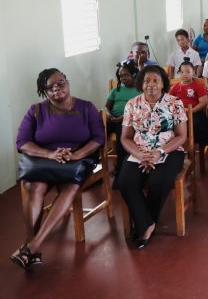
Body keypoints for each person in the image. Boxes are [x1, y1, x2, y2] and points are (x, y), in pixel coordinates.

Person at [11, 69, 105, 270]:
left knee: (70, 187)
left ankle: (32, 246)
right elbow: (22, 142)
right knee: (34, 187)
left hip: (77, 160)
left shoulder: (86, 108)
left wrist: (78, 155)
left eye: (60, 83)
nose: (56, 89)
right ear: (44, 92)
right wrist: (49, 154)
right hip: (44, 160)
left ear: (67, 82)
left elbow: (98, 138)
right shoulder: (36, 111)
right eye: (50, 87)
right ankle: (33, 248)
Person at [119, 65, 188, 248]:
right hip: (140, 151)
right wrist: (140, 154)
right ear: (140, 84)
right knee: (125, 182)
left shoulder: (174, 103)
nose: (151, 84)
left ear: (163, 83)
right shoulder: (132, 104)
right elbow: (125, 138)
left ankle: (144, 224)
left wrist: (159, 152)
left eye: (155, 80)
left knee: (159, 181)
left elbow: (182, 136)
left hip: (169, 150)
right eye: (146, 81)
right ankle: (147, 223)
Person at [105, 61, 141, 187]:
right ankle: (93, 166)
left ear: (134, 74)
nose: (123, 78)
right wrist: (109, 115)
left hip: (128, 120)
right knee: (96, 131)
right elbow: (107, 106)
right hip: (112, 118)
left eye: (126, 75)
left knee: (122, 138)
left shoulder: (139, 90)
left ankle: (120, 174)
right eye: (121, 76)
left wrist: (124, 117)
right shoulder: (116, 90)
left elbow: (141, 109)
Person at [168, 60, 208, 151]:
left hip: (195, 112)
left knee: (197, 125)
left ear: (193, 73)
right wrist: (178, 110)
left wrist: (190, 110)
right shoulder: (174, 87)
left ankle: (199, 147)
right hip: (178, 113)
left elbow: (204, 102)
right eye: (182, 72)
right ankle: (174, 146)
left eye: (188, 72)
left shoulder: (198, 86)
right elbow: (168, 101)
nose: (184, 74)